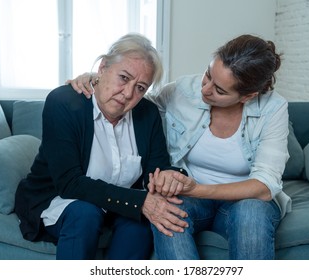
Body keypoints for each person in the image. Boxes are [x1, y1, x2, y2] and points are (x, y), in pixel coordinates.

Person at [69, 34, 292, 260]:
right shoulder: (183, 90)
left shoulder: (273, 109)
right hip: (191, 201)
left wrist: (195, 189)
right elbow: (138, 102)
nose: (205, 89)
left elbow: (264, 185)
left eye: (220, 91)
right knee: (165, 206)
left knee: (251, 212)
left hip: (241, 202)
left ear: (247, 96)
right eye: (208, 75)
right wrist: (97, 80)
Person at [14, 33, 189, 260]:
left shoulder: (147, 113)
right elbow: (69, 183)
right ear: (103, 67)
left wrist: (167, 178)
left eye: (140, 88)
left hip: (115, 205)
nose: (128, 94)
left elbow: (156, 171)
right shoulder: (64, 102)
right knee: (85, 213)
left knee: (141, 224)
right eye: (124, 78)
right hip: (60, 200)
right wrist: (139, 201)